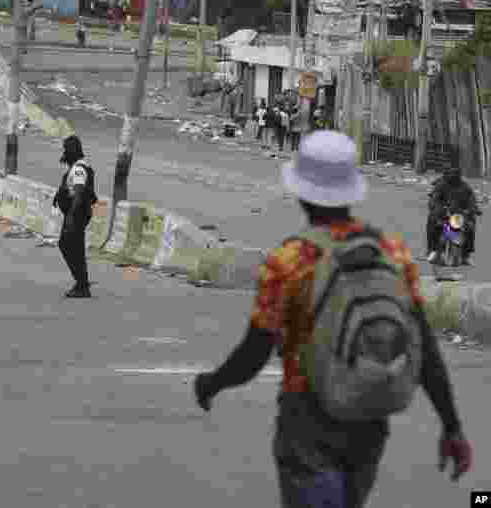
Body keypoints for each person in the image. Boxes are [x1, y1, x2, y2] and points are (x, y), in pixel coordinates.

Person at [192, 131, 472, 508]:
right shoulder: (392, 253)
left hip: (307, 417)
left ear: (301, 192)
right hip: (369, 422)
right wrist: (451, 427)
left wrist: (213, 383)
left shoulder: (290, 261)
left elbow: (254, 354)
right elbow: (425, 349)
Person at [52, 135, 98, 298]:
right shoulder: (78, 166)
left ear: (72, 151)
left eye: (66, 149)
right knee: (72, 246)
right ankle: (81, 282)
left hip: (77, 213)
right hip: (77, 212)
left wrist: (71, 215)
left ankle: (82, 284)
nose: (64, 153)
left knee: (68, 246)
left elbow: (79, 192)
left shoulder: (78, 169)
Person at [427, 165, 480, 265]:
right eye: (451, 174)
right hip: (444, 213)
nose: (453, 176)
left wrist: (473, 209)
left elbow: (472, 200)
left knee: (470, 225)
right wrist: (438, 207)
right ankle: (433, 249)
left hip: (459, 214)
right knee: (433, 220)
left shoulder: (465, 187)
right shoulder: (441, 185)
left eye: (456, 174)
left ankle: (466, 255)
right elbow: (434, 199)